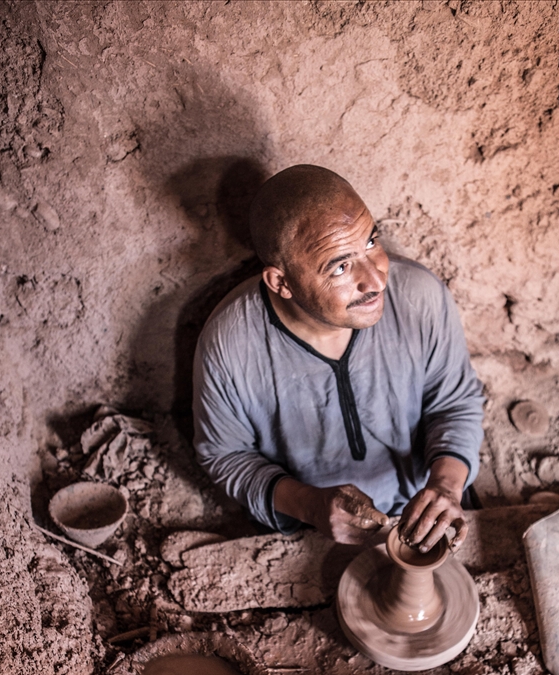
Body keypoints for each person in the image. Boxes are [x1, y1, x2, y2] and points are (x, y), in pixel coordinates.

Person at [192, 165, 484, 552]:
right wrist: (309, 505)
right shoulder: (230, 344)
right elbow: (225, 455)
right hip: (308, 530)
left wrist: (445, 486)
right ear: (281, 282)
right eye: (341, 267)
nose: (377, 280)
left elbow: (456, 401)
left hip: (423, 504)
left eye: (370, 242)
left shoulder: (419, 297)